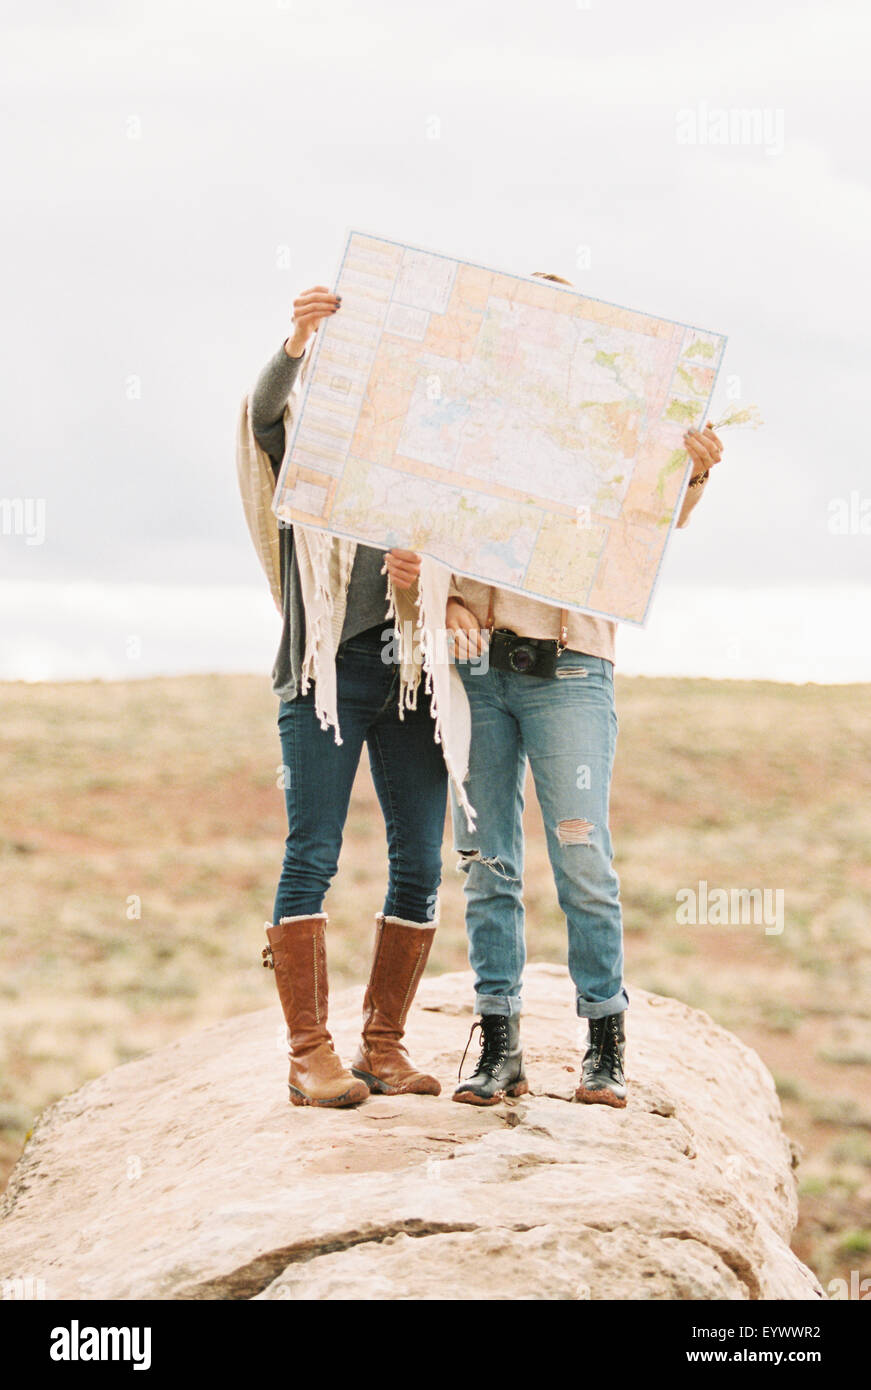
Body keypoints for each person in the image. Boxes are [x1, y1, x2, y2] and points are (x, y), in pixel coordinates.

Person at [445, 271, 724, 1108]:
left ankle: (603, 1049)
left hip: (569, 667)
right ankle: (500, 1050)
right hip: (475, 670)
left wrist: (696, 474)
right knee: (486, 860)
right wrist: (446, 595)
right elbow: (423, 532)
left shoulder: (617, 427)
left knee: (580, 857)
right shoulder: (464, 427)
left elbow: (653, 521)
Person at [240, 285, 470, 1109]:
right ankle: (308, 1054)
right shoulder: (309, 450)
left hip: (411, 677)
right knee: (314, 852)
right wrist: (296, 340)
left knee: (419, 862)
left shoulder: (432, 467)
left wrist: (428, 580)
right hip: (325, 675)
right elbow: (262, 415)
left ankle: (383, 1045)